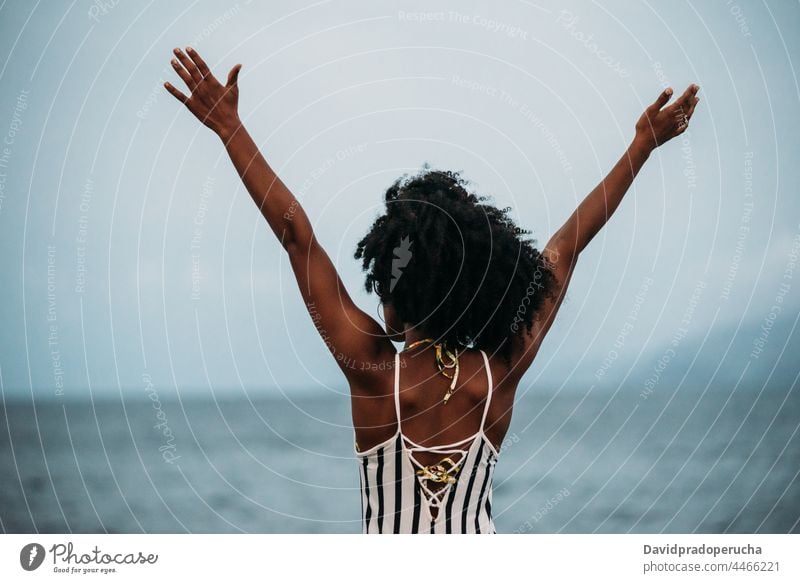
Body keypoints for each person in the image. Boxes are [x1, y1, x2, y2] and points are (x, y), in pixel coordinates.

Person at [164, 46, 700, 534]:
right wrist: (642, 146)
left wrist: (230, 129)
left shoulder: (373, 372)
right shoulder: (497, 371)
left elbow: (296, 236)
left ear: (397, 297)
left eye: (383, 287)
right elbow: (565, 249)